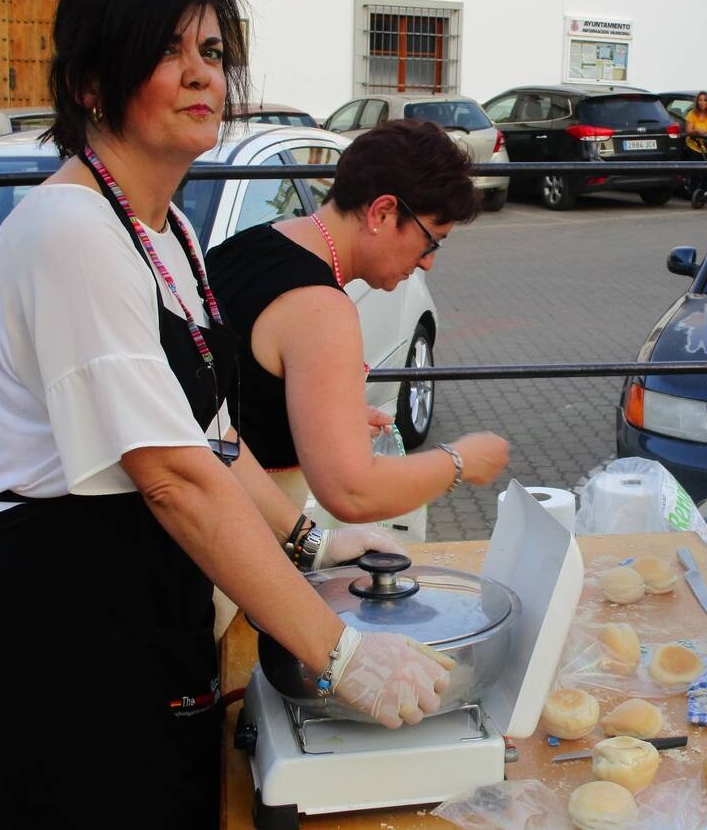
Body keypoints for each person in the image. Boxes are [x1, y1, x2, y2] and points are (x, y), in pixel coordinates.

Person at [0, 0, 449, 827]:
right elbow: (171, 477)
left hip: (148, 609)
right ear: (89, 84)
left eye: (215, 52)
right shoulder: (70, 229)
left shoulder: (171, 232)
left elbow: (214, 442)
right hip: (65, 627)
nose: (202, 75)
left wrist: (310, 543)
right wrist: (339, 653)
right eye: (167, 51)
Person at [204, 120, 510, 540]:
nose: (427, 262)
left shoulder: (248, 245)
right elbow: (352, 492)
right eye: (431, 240)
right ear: (383, 212)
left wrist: (322, 417)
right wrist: (459, 461)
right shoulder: (321, 307)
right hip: (233, 547)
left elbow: (235, 395)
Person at [683, 91, 707, 156]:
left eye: (705, 100)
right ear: (697, 102)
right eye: (700, 100)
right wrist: (696, 130)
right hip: (694, 147)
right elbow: (688, 131)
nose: (702, 103)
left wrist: (706, 132)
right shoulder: (692, 114)